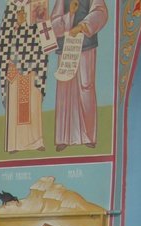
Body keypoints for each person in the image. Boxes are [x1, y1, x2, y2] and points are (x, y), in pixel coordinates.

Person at [50, 0, 108, 151]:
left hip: (86, 46)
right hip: (66, 48)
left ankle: (88, 136)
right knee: (65, 90)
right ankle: (64, 138)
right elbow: (53, 24)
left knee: (86, 87)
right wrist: (69, 15)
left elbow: (101, 12)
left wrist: (82, 26)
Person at [0, 0, 47, 152]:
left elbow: (47, 37)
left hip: (34, 63)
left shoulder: (38, 4)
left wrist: (41, 23)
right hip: (16, 64)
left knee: (33, 102)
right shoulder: (12, 6)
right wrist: (17, 24)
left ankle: (36, 141)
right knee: (16, 103)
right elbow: (3, 39)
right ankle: (15, 143)